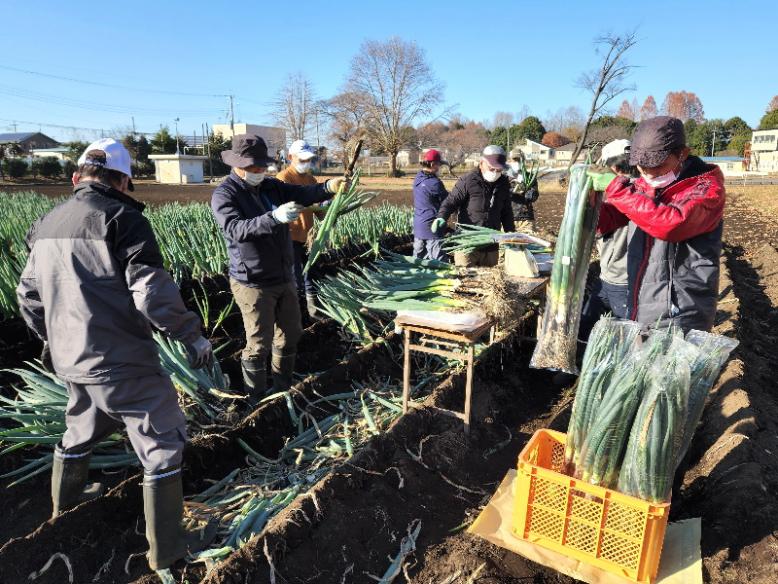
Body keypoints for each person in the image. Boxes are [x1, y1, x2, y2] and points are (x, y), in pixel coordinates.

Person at [16, 139, 214, 574]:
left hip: (72, 359)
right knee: (162, 444)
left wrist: (52, 343)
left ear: (76, 178)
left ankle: (62, 511)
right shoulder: (123, 218)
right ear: (124, 181)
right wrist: (191, 336)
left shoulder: (46, 223)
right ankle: (168, 551)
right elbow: (151, 293)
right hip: (122, 360)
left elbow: (28, 297)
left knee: (80, 429)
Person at [211, 135, 346, 403]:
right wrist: (273, 218)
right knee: (259, 343)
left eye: (262, 166)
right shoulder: (225, 194)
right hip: (253, 281)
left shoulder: (272, 186)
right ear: (237, 164)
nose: (259, 171)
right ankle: (256, 398)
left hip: (283, 275)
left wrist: (329, 186)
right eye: (253, 167)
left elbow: (303, 193)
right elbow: (236, 229)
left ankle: (281, 387)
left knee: (291, 334)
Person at [594, 116, 726, 333]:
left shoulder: (706, 189)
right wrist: (590, 205)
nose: (648, 173)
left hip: (680, 313)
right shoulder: (646, 185)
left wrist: (617, 190)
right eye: (642, 166)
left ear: (682, 153)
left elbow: (671, 224)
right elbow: (611, 219)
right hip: (641, 302)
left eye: (657, 165)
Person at [579, 139, 635, 339]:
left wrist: (588, 201)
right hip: (607, 277)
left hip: (623, 281)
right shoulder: (626, 191)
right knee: (586, 326)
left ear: (615, 167)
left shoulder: (630, 194)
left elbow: (598, 227)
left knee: (623, 337)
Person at [432, 145, 515, 266]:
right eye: (492, 168)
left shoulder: (503, 184)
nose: (495, 172)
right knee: (467, 281)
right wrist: (441, 216)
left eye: (498, 170)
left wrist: (511, 233)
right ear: (482, 163)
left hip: (491, 247)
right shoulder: (468, 180)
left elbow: (506, 212)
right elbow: (451, 201)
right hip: (467, 245)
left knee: (490, 282)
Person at [276, 139, 324, 320]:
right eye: (302, 159)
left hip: (308, 236)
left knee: (311, 274)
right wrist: (312, 206)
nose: (306, 163)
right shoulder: (283, 178)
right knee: (295, 278)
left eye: (308, 159)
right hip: (290, 236)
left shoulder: (311, 179)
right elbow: (290, 206)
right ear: (290, 157)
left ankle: (313, 311)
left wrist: (328, 211)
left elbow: (318, 207)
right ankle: (296, 315)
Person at [412, 149, 449, 261]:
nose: (439, 168)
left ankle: (419, 278)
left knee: (419, 260)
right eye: (438, 165)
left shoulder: (418, 178)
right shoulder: (435, 183)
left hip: (419, 226)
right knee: (438, 260)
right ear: (433, 164)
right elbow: (448, 201)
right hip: (432, 226)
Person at [507, 147, 540, 226]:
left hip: (526, 218)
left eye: (520, 160)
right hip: (508, 218)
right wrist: (510, 192)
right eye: (515, 160)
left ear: (523, 161)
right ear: (509, 161)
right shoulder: (503, 177)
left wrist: (532, 194)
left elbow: (535, 195)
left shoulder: (530, 177)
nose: (517, 162)